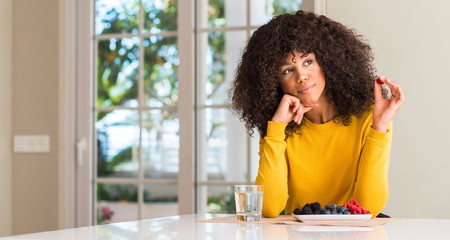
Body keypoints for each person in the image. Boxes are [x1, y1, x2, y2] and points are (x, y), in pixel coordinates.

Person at [229, 10, 405, 218]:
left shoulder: (369, 117)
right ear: (272, 82)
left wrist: (379, 129)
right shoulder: (277, 126)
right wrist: (276, 129)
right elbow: (269, 208)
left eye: (307, 62)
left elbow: (368, 208)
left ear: (327, 61)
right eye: (287, 70)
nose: (301, 76)